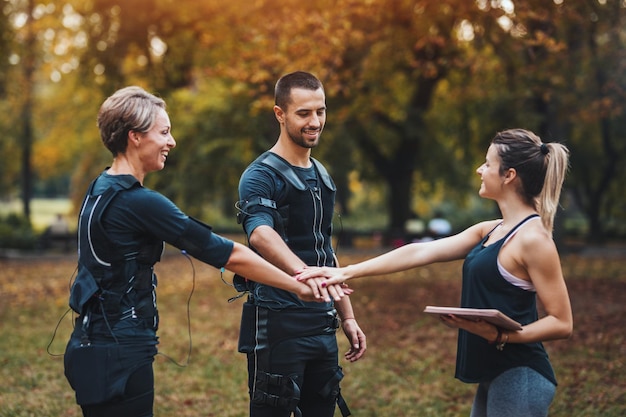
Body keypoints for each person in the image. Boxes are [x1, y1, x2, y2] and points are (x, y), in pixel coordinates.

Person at [63, 86, 346, 417]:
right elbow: (228, 254)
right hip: (117, 353)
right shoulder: (139, 202)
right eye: (164, 132)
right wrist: (300, 284)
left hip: (93, 341)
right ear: (134, 137)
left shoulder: (101, 188)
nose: (171, 141)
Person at [297, 128, 573, 417]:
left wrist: (500, 336)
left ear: (509, 175)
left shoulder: (533, 239)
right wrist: (348, 272)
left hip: (521, 374)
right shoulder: (491, 229)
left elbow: (561, 322)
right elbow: (421, 252)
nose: (480, 169)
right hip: (496, 373)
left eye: (488, 163)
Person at [235, 71, 367, 417]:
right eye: (304, 113)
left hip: (322, 325)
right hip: (278, 324)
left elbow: (325, 249)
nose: (315, 122)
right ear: (280, 114)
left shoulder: (322, 174)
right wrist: (304, 275)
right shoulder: (261, 175)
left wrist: (347, 317)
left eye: (320, 111)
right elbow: (261, 234)